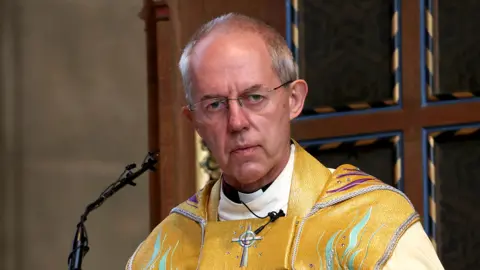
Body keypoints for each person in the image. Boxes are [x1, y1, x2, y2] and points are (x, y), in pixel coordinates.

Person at [126, 13, 444, 269]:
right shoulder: (162, 252)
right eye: (214, 105)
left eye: (254, 97)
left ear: (293, 99)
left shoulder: (370, 224)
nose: (236, 122)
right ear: (194, 122)